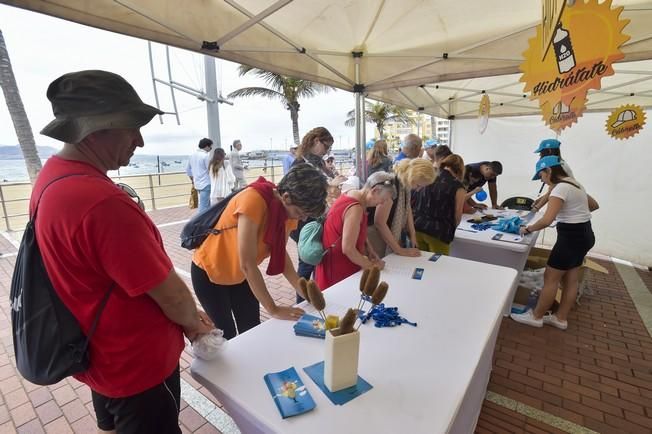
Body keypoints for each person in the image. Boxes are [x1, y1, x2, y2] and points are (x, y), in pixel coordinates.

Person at [34, 70, 213, 433]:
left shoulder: (52, 177)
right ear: (97, 128)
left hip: (99, 353)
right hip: (137, 366)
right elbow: (169, 293)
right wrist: (196, 324)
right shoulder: (101, 201)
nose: (140, 141)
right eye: (132, 127)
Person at [191, 163, 328, 339]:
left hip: (240, 276)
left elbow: (281, 253)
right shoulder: (253, 200)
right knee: (227, 335)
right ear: (286, 197)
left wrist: (305, 292)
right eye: (300, 212)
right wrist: (274, 309)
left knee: (252, 330)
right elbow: (247, 263)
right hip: (210, 272)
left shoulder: (288, 213)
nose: (302, 218)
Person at [511, 156, 599, 330]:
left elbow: (546, 219)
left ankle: (536, 317)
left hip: (571, 238)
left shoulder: (560, 188)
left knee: (550, 277)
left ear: (549, 171)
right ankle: (560, 319)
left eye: (542, 176)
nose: (543, 180)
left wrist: (527, 229)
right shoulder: (575, 184)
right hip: (586, 234)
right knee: (571, 279)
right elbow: (593, 205)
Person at [315, 171, 395, 290]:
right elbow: (348, 249)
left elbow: (354, 229)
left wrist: (369, 247)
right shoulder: (355, 209)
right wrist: (372, 266)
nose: (382, 203)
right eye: (383, 199)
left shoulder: (351, 193)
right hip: (339, 269)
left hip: (335, 263)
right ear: (374, 191)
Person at [290, 127, 345, 288]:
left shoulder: (318, 162)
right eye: (326, 146)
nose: (327, 151)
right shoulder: (300, 164)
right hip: (305, 220)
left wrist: (335, 182)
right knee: (307, 262)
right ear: (316, 141)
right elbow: (300, 194)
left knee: (316, 261)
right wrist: (329, 186)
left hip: (318, 218)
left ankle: (312, 296)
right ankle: (303, 301)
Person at [367, 158, 436, 257]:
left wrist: (413, 234)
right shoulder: (389, 185)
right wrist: (399, 250)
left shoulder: (404, 185)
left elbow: (407, 209)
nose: (418, 189)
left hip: (388, 232)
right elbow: (379, 223)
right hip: (376, 235)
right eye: (418, 185)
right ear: (412, 176)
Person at [413, 154, 467, 255]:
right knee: (439, 266)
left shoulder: (429, 176)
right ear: (460, 169)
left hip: (417, 227)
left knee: (421, 264)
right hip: (439, 232)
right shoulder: (458, 186)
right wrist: (452, 229)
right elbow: (457, 214)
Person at [532, 138, 575, 211]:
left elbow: (552, 191)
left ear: (549, 151)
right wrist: (540, 199)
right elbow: (552, 190)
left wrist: (536, 208)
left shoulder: (558, 166)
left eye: (541, 153)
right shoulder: (559, 164)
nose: (540, 156)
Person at [186, 137, 213, 212]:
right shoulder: (205, 156)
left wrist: (192, 179)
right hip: (206, 183)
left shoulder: (191, 156)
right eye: (210, 146)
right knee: (204, 206)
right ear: (207, 146)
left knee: (207, 204)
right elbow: (209, 170)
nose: (211, 148)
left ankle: (208, 221)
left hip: (197, 183)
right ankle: (199, 222)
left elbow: (188, 170)